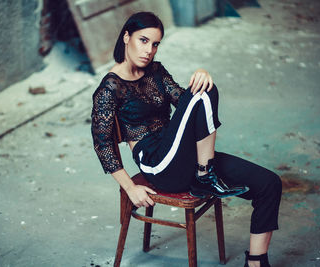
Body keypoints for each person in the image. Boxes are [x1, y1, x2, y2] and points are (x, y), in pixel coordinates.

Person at [91, 12, 281, 267]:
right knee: (205, 91)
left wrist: (202, 73)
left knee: (269, 183)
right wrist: (130, 187)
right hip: (157, 163)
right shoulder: (109, 89)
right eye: (143, 40)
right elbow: (103, 145)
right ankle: (205, 176)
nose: (149, 50)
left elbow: (187, 104)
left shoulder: (156, 71)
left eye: (155, 44)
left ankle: (256, 262)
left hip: (186, 154)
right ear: (127, 37)